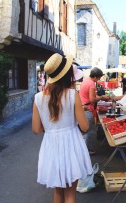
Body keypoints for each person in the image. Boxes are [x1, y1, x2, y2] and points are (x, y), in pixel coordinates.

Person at [32, 53, 93, 203]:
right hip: (71, 144)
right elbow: (85, 127)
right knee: (70, 194)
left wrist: (51, 126)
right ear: (66, 74)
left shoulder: (38, 97)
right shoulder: (72, 95)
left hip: (51, 146)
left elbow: (36, 129)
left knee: (58, 192)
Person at [79, 67, 110, 155]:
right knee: (90, 131)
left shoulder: (85, 81)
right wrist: (102, 97)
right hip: (88, 109)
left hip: (84, 108)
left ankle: (86, 150)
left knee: (86, 130)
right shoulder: (92, 83)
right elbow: (92, 99)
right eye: (99, 77)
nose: (99, 79)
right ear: (96, 76)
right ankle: (88, 151)